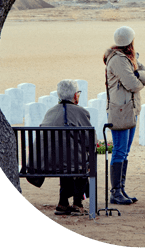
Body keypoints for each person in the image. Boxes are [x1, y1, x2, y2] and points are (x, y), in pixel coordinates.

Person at [103, 26, 145, 205]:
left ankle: (121, 189)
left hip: (130, 110)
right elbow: (134, 84)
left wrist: (139, 75)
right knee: (119, 151)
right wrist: (139, 76)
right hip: (120, 111)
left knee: (125, 151)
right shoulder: (118, 60)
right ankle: (115, 192)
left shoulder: (130, 59)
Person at [40, 79, 95, 215]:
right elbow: (91, 142)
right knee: (78, 161)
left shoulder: (50, 112)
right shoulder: (81, 112)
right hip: (75, 165)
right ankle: (77, 203)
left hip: (51, 164)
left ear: (59, 95)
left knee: (64, 158)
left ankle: (63, 202)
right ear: (75, 96)